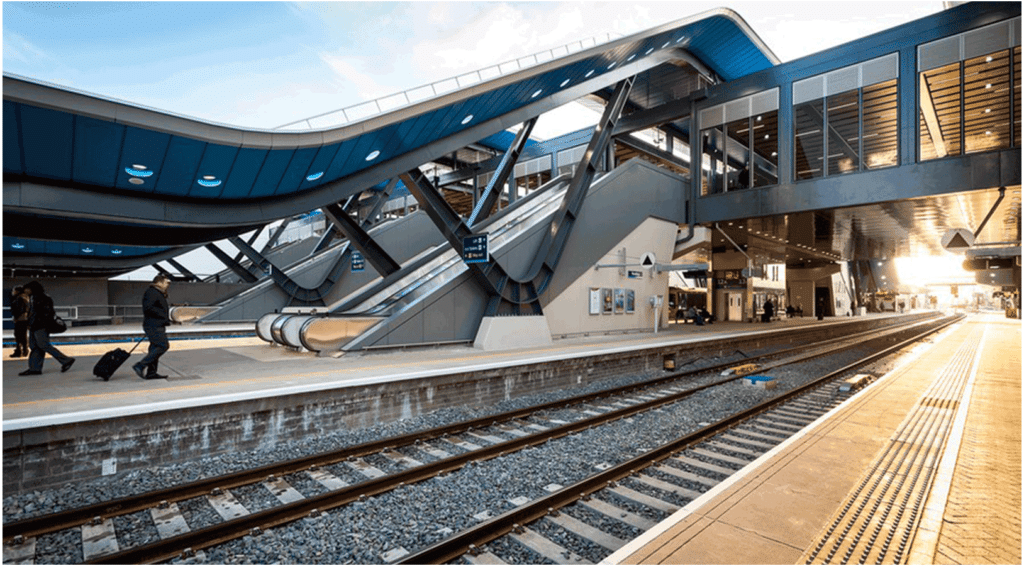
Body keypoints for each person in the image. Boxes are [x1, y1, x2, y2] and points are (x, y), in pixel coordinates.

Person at [18, 281, 75, 375]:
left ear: (33, 288)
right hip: (33, 326)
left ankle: (66, 360)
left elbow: (46, 313)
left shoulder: (44, 298)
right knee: (35, 346)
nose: (25, 290)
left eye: (27, 288)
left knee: (43, 345)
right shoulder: (33, 298)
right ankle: (35, 368)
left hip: (40, 326)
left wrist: (38, 323)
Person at [133, 274, 171, 379]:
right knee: (163, 346)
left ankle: (151, 373)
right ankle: (140, 365)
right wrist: (163, 315)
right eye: (166, 282)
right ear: (159, 282)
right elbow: (148, 308)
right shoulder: (152, 292)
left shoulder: (158, 293)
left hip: (157, 324)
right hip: (153, 325)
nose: (168, 285)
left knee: (155, 348)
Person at [10, 286, 30, 357]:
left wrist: (16, 317)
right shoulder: (26, 297)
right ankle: (24, 350)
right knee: (23, 335)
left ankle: (19, 351)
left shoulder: (19, 298)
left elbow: (19, 309)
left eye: (14, 290)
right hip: (24, 318)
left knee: (18, 335)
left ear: (17, 291)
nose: (13, 292)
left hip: (20, 319)